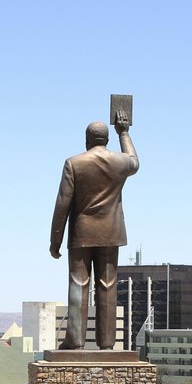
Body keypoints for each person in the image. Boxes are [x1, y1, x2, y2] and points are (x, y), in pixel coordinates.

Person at [49, 113, 139, 350]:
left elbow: (62, 204)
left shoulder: (74, 163)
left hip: (82, 232)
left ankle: (75, 340)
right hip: (111, 231)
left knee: (79, 283)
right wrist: (125, 133)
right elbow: (134, 161)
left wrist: (55, 240)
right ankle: (108, 343)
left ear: (87, 140)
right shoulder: (120, 162)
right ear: (106, 139)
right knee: (107, 285)